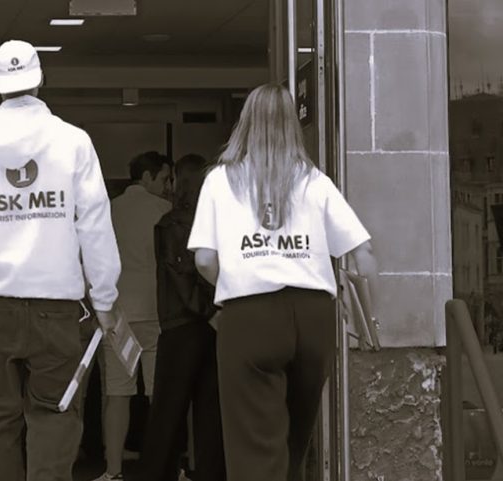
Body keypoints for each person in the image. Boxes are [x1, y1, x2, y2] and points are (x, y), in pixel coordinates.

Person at [0, 39, 121, 481]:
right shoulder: (74, 143)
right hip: (57, 309)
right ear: (40, 79)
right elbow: (93, 224)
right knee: (56, 415)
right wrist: (106, 298)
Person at [187, 84, 378, 481]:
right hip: (313, 316)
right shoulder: (314, 180)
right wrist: (366, 317)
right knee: (294, 438)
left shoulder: (221, 180)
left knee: (255, 443)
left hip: (249, 316)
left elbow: (204, 258)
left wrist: (236, 280)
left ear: (245, 122)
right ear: (293, 124)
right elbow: (363, 253)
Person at [138, 153, 226, 481]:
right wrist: (216, 311)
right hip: (213, 324)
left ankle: (157, 474)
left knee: (167, 411)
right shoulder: (218, 223)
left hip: (180, 324)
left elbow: (180, 277)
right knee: (210, 412)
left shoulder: (170, 224)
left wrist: (205, 312)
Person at [95, 151, 173, 481]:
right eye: (165, 179)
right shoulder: (165, 212)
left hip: (119, 314)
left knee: (117, 393)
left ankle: (113, 470)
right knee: (161, 395)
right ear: (147, 178)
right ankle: (163, 466)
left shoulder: (109, 212)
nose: (169, 186)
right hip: (158, 313)